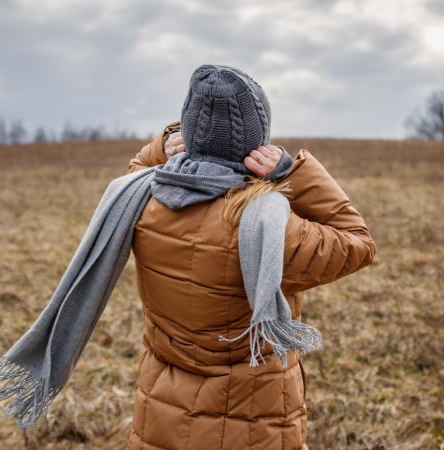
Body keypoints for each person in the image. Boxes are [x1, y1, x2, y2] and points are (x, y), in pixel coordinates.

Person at [126, 64, 377, 450]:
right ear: (257, 143)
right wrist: (294, 172)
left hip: (164, 416)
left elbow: (138, 169)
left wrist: (162, 147)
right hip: (252, 424)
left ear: (189, 134)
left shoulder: (144, 202)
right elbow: (357, 242)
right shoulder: (269, 226)